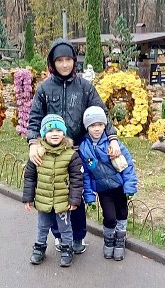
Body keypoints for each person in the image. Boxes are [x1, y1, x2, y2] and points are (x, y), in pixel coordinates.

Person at [27, 38, 121, 254]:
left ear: (74, 61)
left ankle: (77, 237)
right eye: (59, 60)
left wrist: (112, 137)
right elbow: (35, 118)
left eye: (68, 59)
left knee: (74, 197)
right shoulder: (44, 88)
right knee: (52, 197)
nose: (64, 64)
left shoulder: (85, 87)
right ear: (52, 62)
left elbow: (101, 113)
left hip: (76, 152)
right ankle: (59, 236)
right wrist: (33, 143)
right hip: (50, 153)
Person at [23, 114, 83, 267]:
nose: (54, 134)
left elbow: (77, 179)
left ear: (64, 132)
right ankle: (39, 248)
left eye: (58, 130)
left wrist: (74, 199)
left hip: (62, 201)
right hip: (43, 199)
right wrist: (28, 197)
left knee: (65, 227)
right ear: (44, 134)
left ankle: (66, 249)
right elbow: (30, 177)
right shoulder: (38, 154)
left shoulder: (71, 154)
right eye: (50, 131)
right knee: (42, 226)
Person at [79, 106, 138, 261]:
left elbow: (127, 165)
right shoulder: (84, 148)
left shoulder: (113, 144)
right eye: (92, 125)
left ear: (105, 125)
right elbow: (85, 174)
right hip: (103, 189)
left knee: (122, 214)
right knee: (110, 217)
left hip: (119, 187)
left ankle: (120, 241)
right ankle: (109, 240)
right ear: (87, 127)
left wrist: (130, 185)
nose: (97, 129)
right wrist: (89, 195)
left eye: (100, 125)